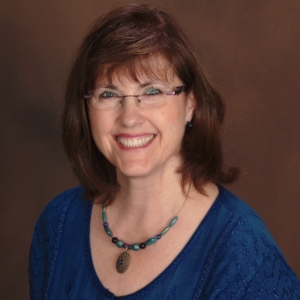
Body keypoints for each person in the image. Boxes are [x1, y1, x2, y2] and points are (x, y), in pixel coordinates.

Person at [29, 3, 300, 299]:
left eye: (152, 92)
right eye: (108, 94)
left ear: (191, 104)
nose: (129, 117)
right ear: (85, 108)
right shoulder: (57, 224)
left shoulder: (242, 252)